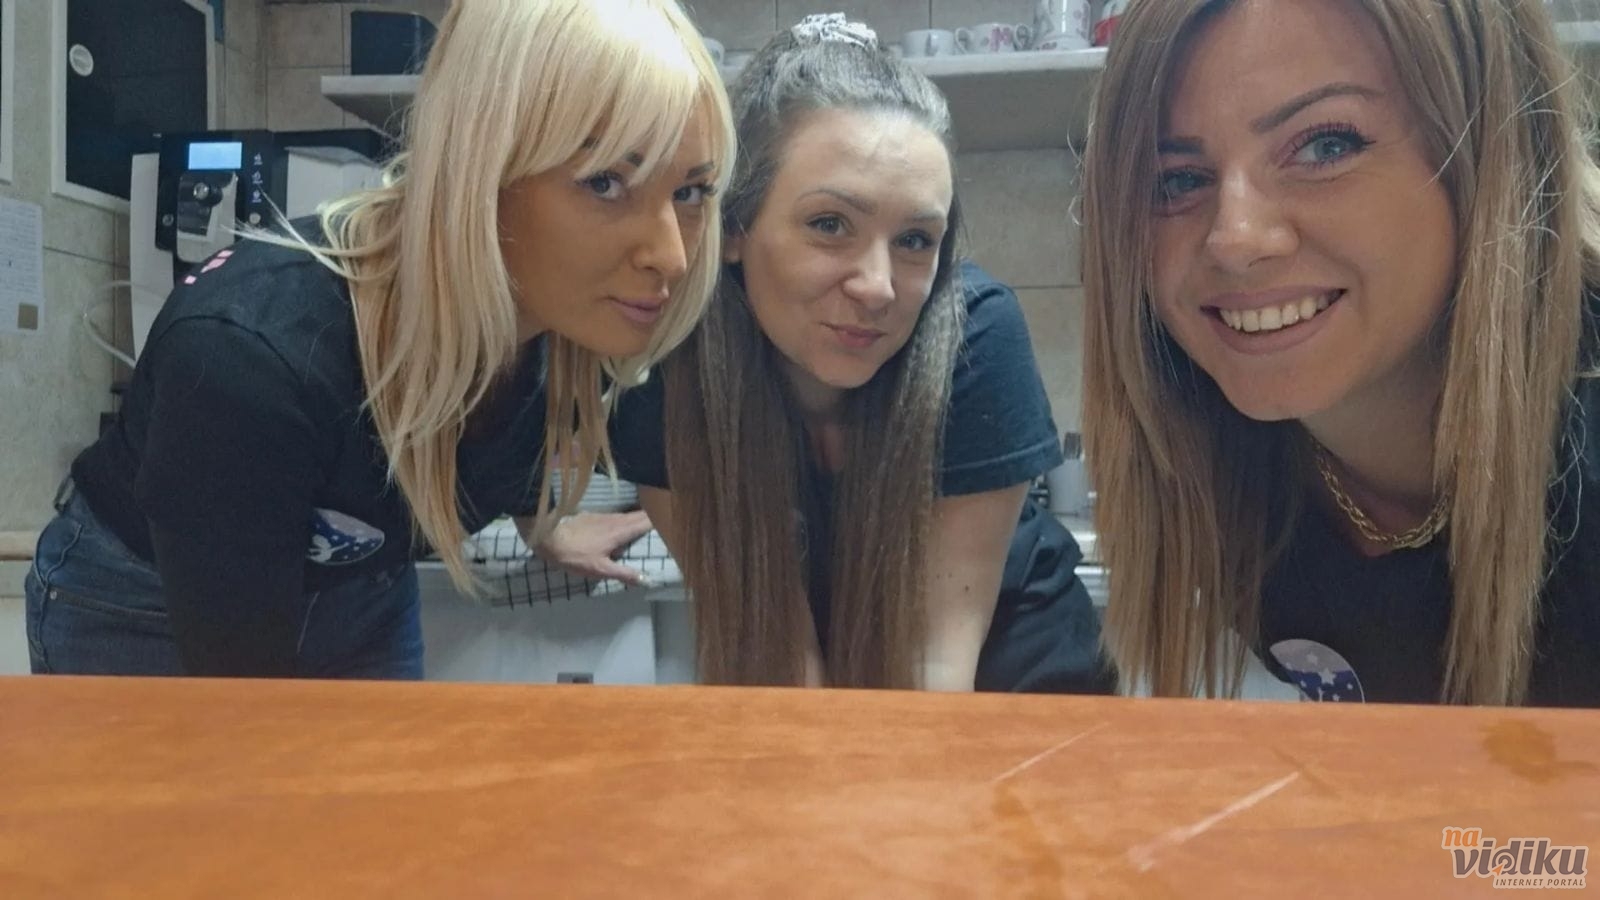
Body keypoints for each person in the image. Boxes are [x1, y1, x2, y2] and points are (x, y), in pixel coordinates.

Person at [25, 0, 735, 679]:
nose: (672, 258)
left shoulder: (588, 315)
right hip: (143, 605)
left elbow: (521, 419)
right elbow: (244, 714)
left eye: (691, 191)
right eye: (606, 182)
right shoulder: (248, 362)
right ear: (478, 171)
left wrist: (543, 524)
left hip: (361, 586)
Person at [1080, 0, 1600, 705]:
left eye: (1326, 145)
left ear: (1493, 148)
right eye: (1176, 180)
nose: (1234, 239)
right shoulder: (1210, 454)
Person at [610, 14, 1114, 692]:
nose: (878, 288)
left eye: (915, 240)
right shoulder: (672, 368)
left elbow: (934, 666)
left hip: (1019, 686)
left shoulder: (975, 337)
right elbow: (777, 653)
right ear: (734, 230)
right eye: (830, 224)